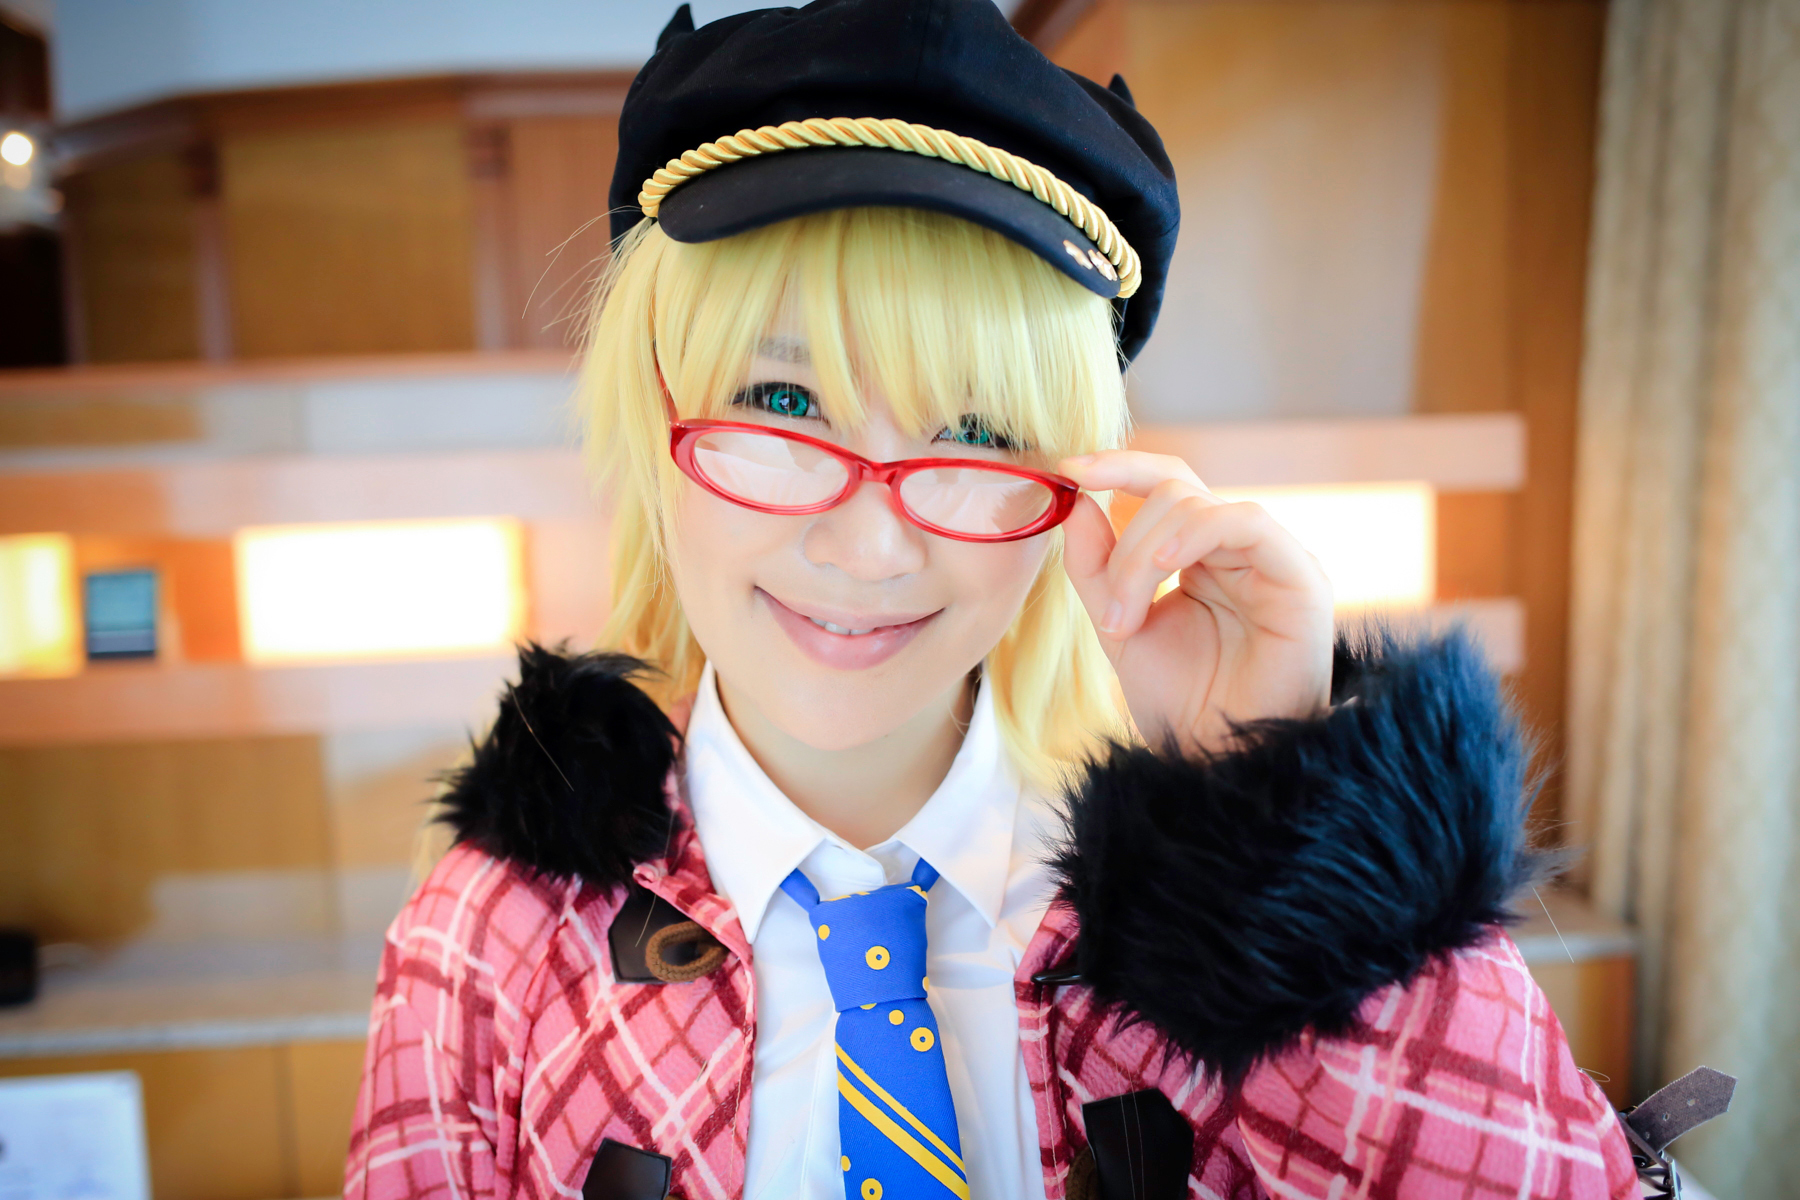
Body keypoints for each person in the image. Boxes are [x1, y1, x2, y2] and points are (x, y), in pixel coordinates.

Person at [345, 2, 1638, 1197]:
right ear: (657, 427)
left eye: (975, 434)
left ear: (1071, 487)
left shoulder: (1199, 926)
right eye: (782, 402)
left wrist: (1285, 823)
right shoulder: (492, 943)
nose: (869, 545)